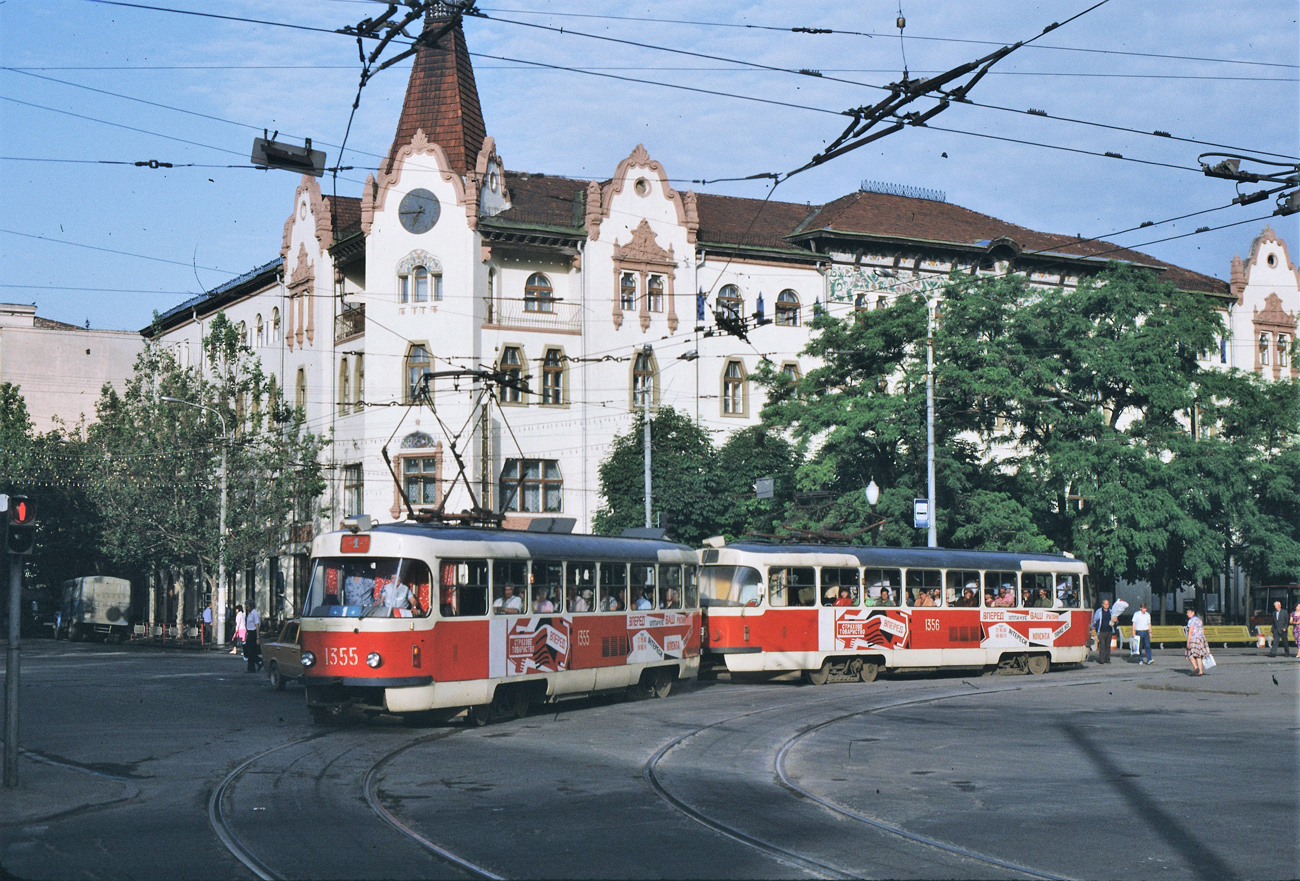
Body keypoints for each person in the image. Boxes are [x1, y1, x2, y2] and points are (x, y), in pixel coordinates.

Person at [1184, 608, 1210, 675]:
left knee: (1189, 653)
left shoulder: (1191, 621)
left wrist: (1188, 641)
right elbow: (1202, 630)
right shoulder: (1199, 620)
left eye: (1188, 612)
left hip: (1193, 638)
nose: (1187, 614)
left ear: (1193, 613)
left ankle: (1196, 667)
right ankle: (1200, 671)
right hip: (1200, 638)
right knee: (1198, 655)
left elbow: (1190, 632)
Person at [1091, 599, 1114, 664]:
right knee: (1102, 645)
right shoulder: (1099, 611)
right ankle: (1101, 659)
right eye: (1105, 604)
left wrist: (1115, 620)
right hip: (1101, 631)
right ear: (1103, 605)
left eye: (1107, 604)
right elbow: (1095, 620)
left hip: (1109, 630)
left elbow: (1115, 621)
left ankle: (1107, 659)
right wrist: (1093, 628)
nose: (1106, 605)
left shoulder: (1111, 612)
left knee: (1108, 645)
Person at [243, 604, 262, 672]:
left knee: (251, 651)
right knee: (249, 651)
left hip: (253, 633)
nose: (247, 608)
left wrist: (257, 637)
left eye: (248, 606)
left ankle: (251, 668)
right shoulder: (249, 613)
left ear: (251, 606)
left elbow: (257, 625)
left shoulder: (255, 613)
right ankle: (258, 661)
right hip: (249, 632)